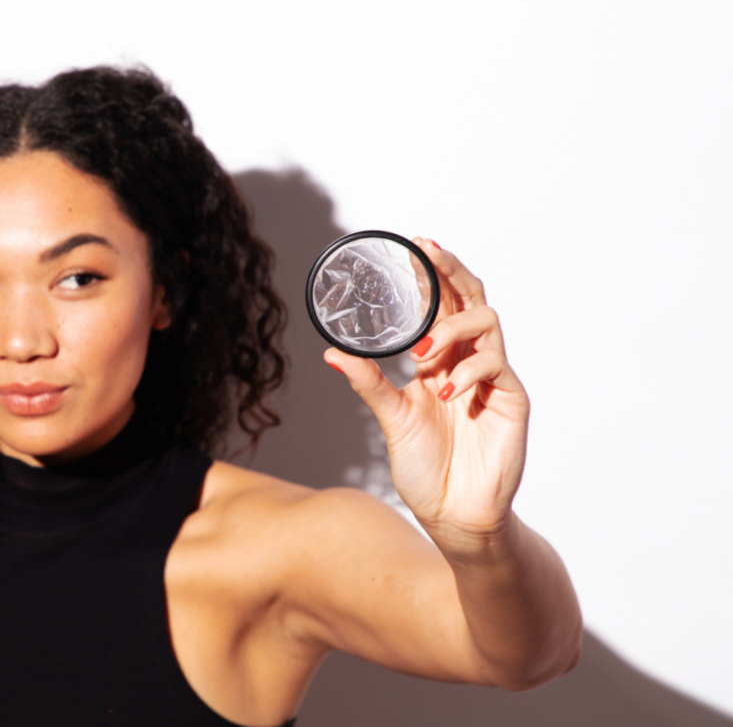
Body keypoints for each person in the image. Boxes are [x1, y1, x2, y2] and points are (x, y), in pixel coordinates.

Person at [0, 67, 582, 727]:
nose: (21, 341)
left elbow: (532, 655)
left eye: (77, 277)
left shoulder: (274, 546)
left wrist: (479, 534)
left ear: (164, 289)